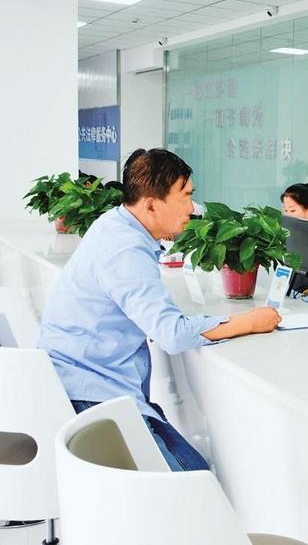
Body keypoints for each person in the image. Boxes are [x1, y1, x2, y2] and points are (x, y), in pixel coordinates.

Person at [38, 148, 281, 472]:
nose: (192, 208)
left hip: (82, 384)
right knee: (192, 480)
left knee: (195, 470)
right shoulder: (126, 249)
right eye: (185, 196)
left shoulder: (115, 223)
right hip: (93, 396)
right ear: (151, 205)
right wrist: (249, 322)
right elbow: (171, 334)